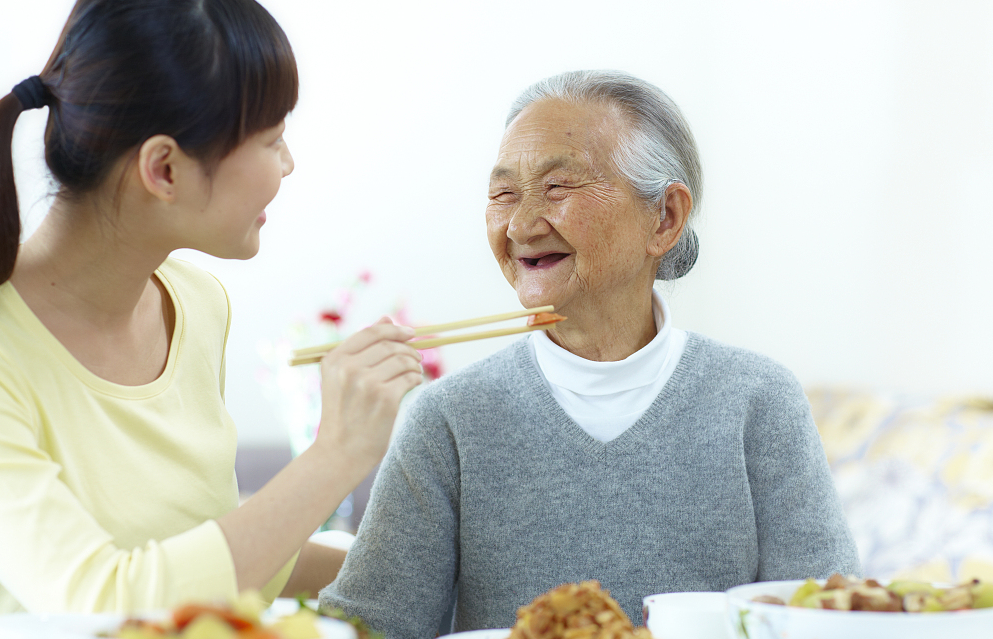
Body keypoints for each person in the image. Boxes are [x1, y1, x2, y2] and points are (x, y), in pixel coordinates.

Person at [319, 70, 860, 637]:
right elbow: (367, 628)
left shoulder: (758, 401)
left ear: (665, 218)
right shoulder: (448, 418)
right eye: (503, 193)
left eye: (558, 188)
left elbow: (831, 619)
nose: (522, 224)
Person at [0, 0, 423, 614]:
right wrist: (337, 454)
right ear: (164, 168)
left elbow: (215, 561)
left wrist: (438, 567)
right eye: (273, 138)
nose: (289, 163)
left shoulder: (196, 304)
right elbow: (101, 603)